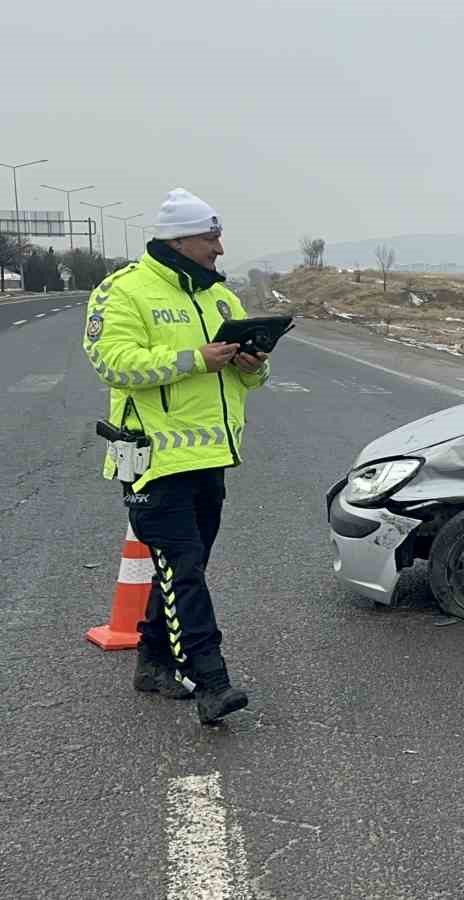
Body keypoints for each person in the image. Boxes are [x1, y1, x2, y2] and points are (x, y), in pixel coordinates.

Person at [83, 188, 271, 725]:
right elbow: (112, 363)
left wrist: (252, 362)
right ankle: (211, 681)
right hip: (149, 459)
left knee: (184, 567)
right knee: (183, 567)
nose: (219, 247)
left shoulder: (220, 297)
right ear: (179, 240)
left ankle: (153, 661)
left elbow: (252, 381)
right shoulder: (123, 290)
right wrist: (194, 358)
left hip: (209, 456)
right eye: (210, 238)